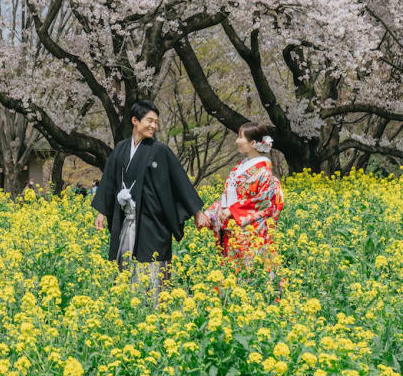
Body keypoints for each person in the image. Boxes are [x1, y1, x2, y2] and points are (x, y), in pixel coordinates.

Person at [92, 100, 209, 299]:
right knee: (125, 266)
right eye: (149, 121)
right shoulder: (120, 148)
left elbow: (179, 180)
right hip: (126, 220)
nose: (154, 126)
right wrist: (102, 212)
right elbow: (109, 181)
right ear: (135, 121)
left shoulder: (159, 150)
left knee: (153, 268)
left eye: (156, 122)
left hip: (153, 222)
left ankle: (157, 308)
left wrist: (197, 212)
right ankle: (130, 308)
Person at [204, 122, 284, 263]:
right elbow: (228, 198)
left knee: (250, 272)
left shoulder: (264, 171)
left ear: (253, 143)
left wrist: (232, 211)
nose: (237, 141)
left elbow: (263, 203)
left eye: (240, 137)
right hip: (233, 226)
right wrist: (210, 213)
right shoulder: (239, 167)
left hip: (251, 231)